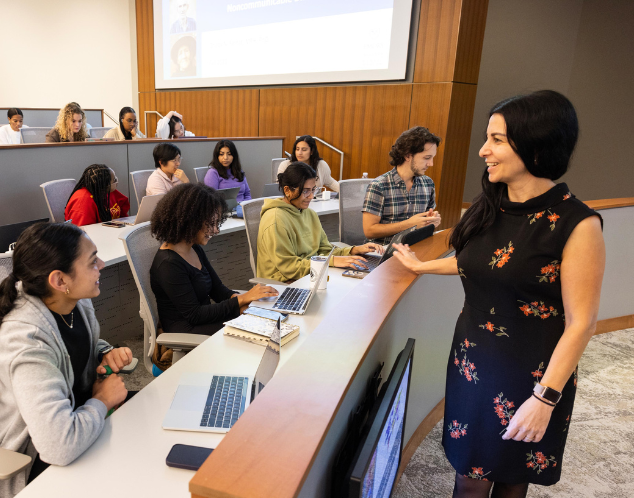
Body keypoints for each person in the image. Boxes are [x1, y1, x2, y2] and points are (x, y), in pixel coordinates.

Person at [392, 91, 603, 498]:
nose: (483, 150)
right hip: (472, 361)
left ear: (536, 145)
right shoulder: (490, 204)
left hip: (532, 376)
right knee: (468, 477)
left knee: (509, 479)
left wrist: (545, 399)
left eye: (497, 140)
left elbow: (583, 323)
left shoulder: (576, 224)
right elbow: (480, 262)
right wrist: (421, 266)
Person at [0, 222, 133, 497]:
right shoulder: (26, 339)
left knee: (148, 426)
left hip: (79, 412)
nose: (103, 265)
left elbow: (73, 343)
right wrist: (103, 400)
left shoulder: (73, 300)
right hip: (32, 457)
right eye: (92, 261)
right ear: (60, 281)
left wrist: (103, 351)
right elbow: (58, 445)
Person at [150, 183, 277, 344]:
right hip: (187, 330)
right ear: (190, 221)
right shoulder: (168, 264)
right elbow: (195, 314)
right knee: (260, 334)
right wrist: (241, 301)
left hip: (204, 320)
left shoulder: (193, 247)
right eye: (210, 224)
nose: (216, 230)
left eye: (217, 223)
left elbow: (218, 291)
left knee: (264, 321)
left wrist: (240, 301)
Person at [257, 162, 382, 282]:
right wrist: (331, 261)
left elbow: (325, 249)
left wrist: (353, 250)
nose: (311, 196)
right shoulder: (275, 220)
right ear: (287, 190)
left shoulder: (309, 213)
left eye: (313, 190)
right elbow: (289, 267)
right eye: (305, 191)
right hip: (283, 283)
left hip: (311, 273)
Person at [362, 126, 442, 244]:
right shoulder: (379, 186)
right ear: (408, 155)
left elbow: (423, 222)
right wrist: (409, 224)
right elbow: (369, 231)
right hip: (384, 252)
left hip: (415, 248)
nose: (431, 164)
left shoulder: (428, 183)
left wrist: (431, 221)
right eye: (427, 158)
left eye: (432, 158)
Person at [65, 164, 130, 226]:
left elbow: (123, 213)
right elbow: (82, 231)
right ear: (104, 184)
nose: (116, 181)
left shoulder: (108, 192)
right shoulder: (83, 201)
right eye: (114, 180)